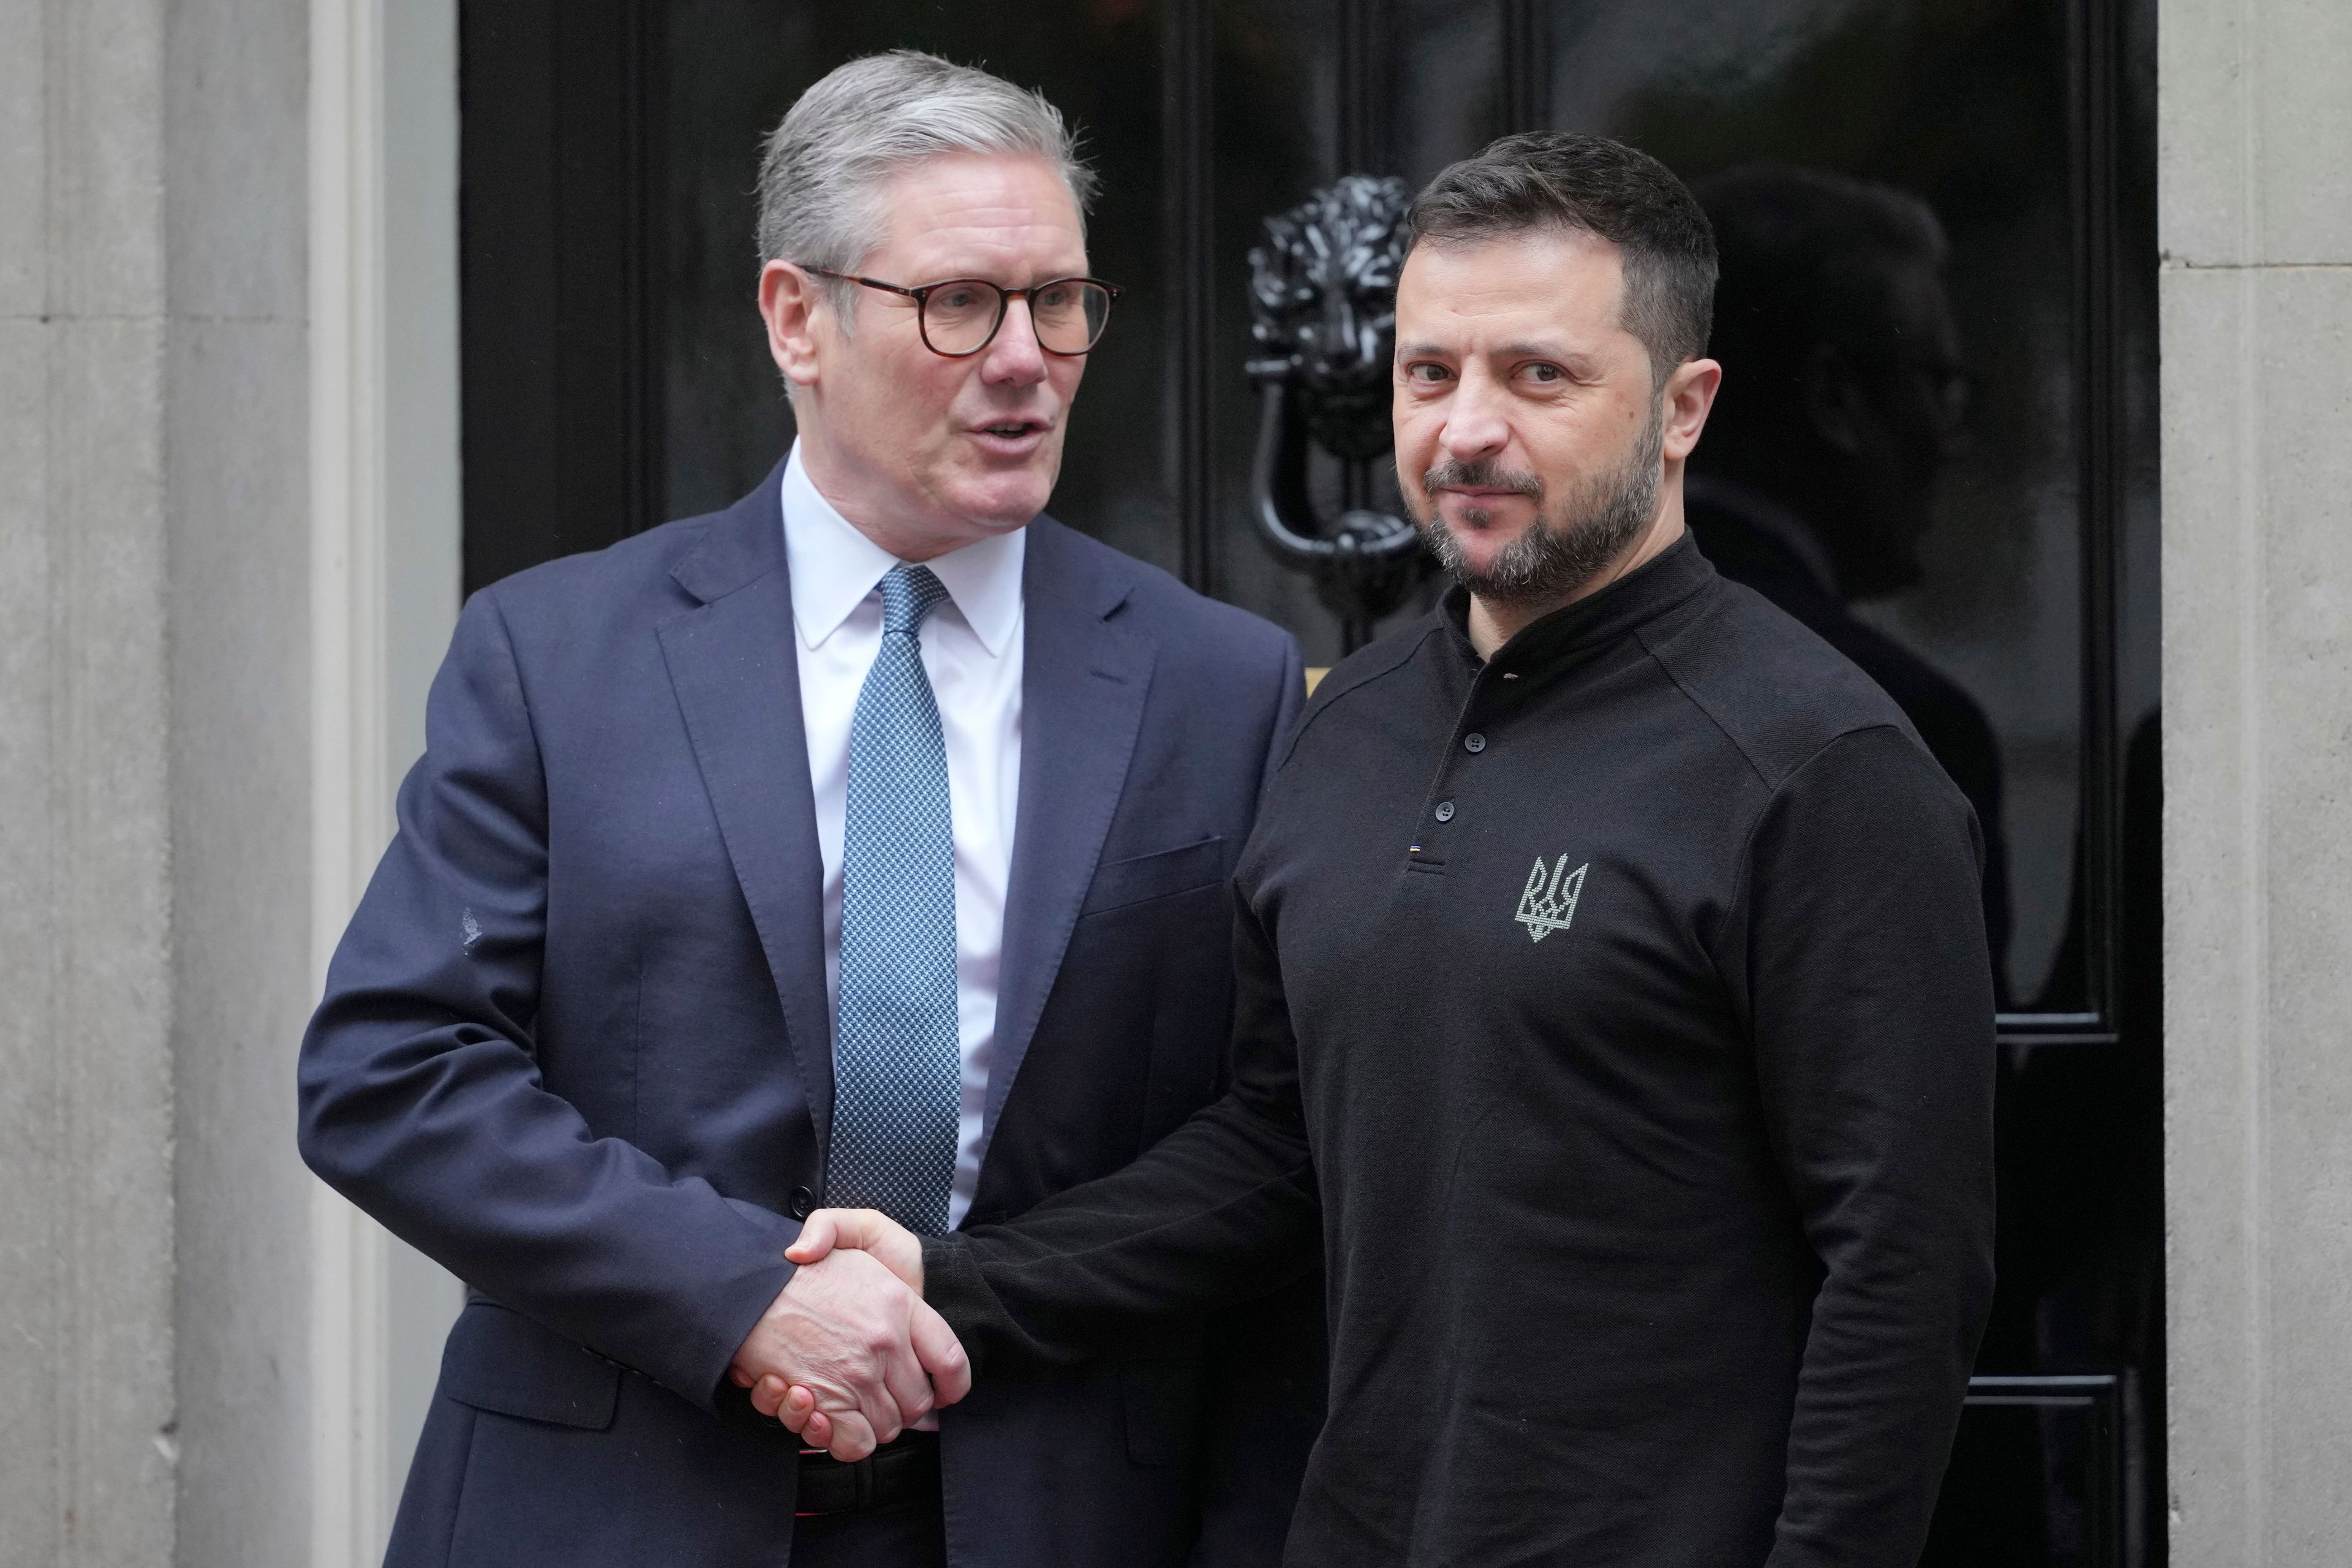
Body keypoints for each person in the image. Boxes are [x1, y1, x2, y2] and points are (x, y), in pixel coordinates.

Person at [778, 132, 1997, 1567]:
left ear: (1683, 408)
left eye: (1539, 375)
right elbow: (1274, 1151)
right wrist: (957, 1279)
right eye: (1431, 374)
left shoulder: (1821, 766)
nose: (1466, 429)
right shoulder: (1344, 725)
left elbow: (1904, 1269)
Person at [298, 50, 1316, 1568]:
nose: (1027, 357)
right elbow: (393, 1068)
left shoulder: (1217, 681)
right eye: (960, 302)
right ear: (797, 317)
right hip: (611, 1506)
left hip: (1053, 1504)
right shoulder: (559, 653)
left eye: (1059, 300)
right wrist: (747, 1294)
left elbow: (1271, 1134)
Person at [1684, 164, 2013, 1003]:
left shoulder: (1517, 669)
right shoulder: (1899, 723)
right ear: (1835, 397)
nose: (1953, 439)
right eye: (1937, 383)